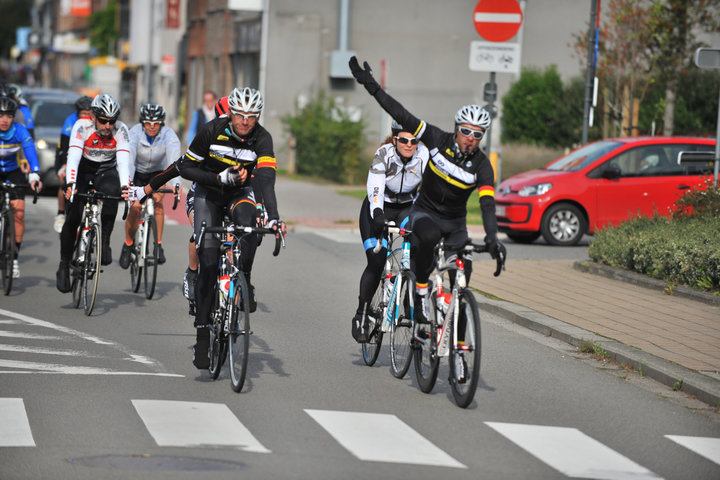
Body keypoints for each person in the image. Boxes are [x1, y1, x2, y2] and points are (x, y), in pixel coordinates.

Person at [349, 56, 506, 323]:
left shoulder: (469, 162)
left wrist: (492, 237)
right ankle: (366, 312)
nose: (470, 138)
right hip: (393, 207)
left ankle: (455, 345)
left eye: (477, 134)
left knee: (445, 264)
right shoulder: (421, 144)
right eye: (466, 131)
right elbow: (401, 115)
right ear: (457, 129)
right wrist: (372, 87)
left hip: (433, 214)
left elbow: (487, 204)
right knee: (381, 259)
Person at [176, 86, 285, 369]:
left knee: (250, 226)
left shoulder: (263, 138)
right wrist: (218, 177)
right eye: (240, 115)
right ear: (231, 113)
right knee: (209, 261)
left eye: (252, 116)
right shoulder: (212, 131)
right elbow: (186, 168)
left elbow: (266, 177)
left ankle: (244, 278)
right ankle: (202, 333)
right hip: (209, 192)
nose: (245, 121)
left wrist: (272, 215)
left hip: (239, 193)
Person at [351, 120, 429, 342]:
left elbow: (431, 186)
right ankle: (362, 314)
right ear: (395, 139)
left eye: (413, 140)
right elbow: (375, 185)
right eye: (403, 139)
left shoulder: (423, 154)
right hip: (379, 207)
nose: (408, 144)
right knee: (376, 261)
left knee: (416, 247)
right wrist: (377, 213)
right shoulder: (384, 154)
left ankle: (408, 296)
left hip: (406, 208)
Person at [55, 93, 131, 293]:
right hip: (83, 169)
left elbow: (123, 161)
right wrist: (70, 182)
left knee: (113, 192)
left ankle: (104, 241)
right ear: (93, 117)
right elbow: (73, 156)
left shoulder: (121, 130)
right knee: (73, 217)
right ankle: (63, 264)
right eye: (103, 121)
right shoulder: (81, 126)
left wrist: (125, 186)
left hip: (106, 170)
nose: (108, 125)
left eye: (111, 121)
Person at [118, 104, 181, 269]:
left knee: (158, 204)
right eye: (148, 123)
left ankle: (158, 245)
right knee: (136, 207)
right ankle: (128, 243)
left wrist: (175, 185)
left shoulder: (169, 135)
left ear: (162, 124)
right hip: (138, 173)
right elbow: (129, 160)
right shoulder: (134, 133)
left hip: (157, 174)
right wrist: (129, 183)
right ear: (142, 123)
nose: (152, 127)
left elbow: (174, 162)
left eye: (156, 124)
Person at [0, 95, 42, 278]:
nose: (5, 120)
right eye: (1, 115)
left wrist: (35, 174)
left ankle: (14, 258)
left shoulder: (19, 130)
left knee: (18, 212)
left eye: (9, 115)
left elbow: (31, 152)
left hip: (12, 171)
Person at [54, 95, 93, 233]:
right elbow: (64, 146)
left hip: (84, 156)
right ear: (77, 113)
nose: (86, 116)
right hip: (66, 153)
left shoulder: (94, 122)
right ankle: (60, 213)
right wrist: (64, 165)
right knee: (65, 181)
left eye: (89, 114)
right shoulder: (70, 121)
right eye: (83, 113)